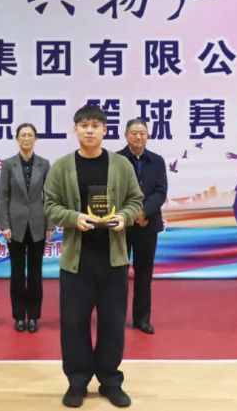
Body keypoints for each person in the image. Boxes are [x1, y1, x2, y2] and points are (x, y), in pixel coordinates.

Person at [44, 105, 144, 408]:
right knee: (74, 324)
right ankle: (77, 382)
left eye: (95, 126)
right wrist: (74, 217)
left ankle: (110, 381)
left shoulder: (121, 165)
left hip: (113, 260)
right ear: (75, 129)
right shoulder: (62, 166)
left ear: (105, 130)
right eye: (84, 125)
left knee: (113, 323)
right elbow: (50, 205)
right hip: (77, 261)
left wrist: (124, 217)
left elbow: (135, 200)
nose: (89, 130)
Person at [0, 123, 53, 333]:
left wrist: (50, 224)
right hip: (15, 226)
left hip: (38, 224)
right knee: (17, 274)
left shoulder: (44, 164)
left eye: (30, 135)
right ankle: (19, 316)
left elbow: (50, 197)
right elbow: (3, 196)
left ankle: (34, 316)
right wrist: (5, 225)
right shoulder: (8, 164)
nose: (26, 139)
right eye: (23, 135)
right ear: (17, 138)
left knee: (36, 274)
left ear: (35, 139)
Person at [117, 119, 167, 335]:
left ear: (147, 136)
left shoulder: (157, 161)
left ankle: (142, 319)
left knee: (144, 274)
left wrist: (144, 212)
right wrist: (131, 214)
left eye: (142, 133)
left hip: (148, 224)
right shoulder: (116, 160)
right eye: (134, 133)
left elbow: (160, 191)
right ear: (126, 135)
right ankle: (116, 318)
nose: (138, 137)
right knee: (117, 274)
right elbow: (113, 191)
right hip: (121, 226)